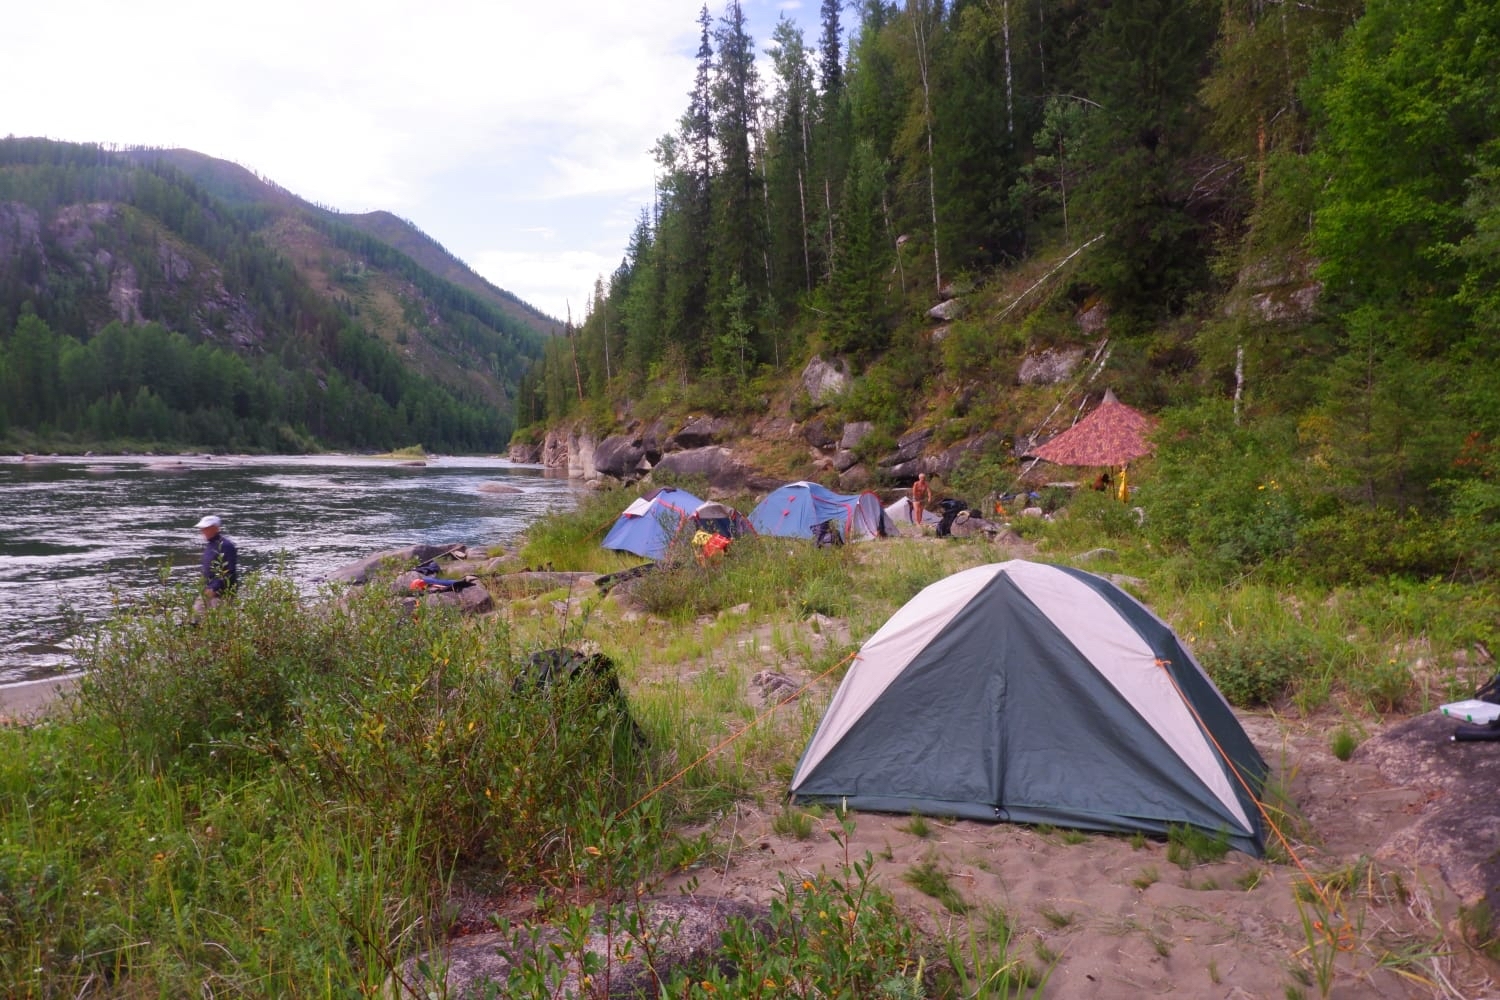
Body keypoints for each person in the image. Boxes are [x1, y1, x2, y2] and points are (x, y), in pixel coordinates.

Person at [194, 514, 239, 608]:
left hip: (221, 594)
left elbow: (229, 572)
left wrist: (214, 589)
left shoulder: (226, 546)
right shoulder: (210, 545)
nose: (203, 531)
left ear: (215, 528)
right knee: (194, 619)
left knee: (217, 621)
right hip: (208, 591)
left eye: (206, 528)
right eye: (202, 528)